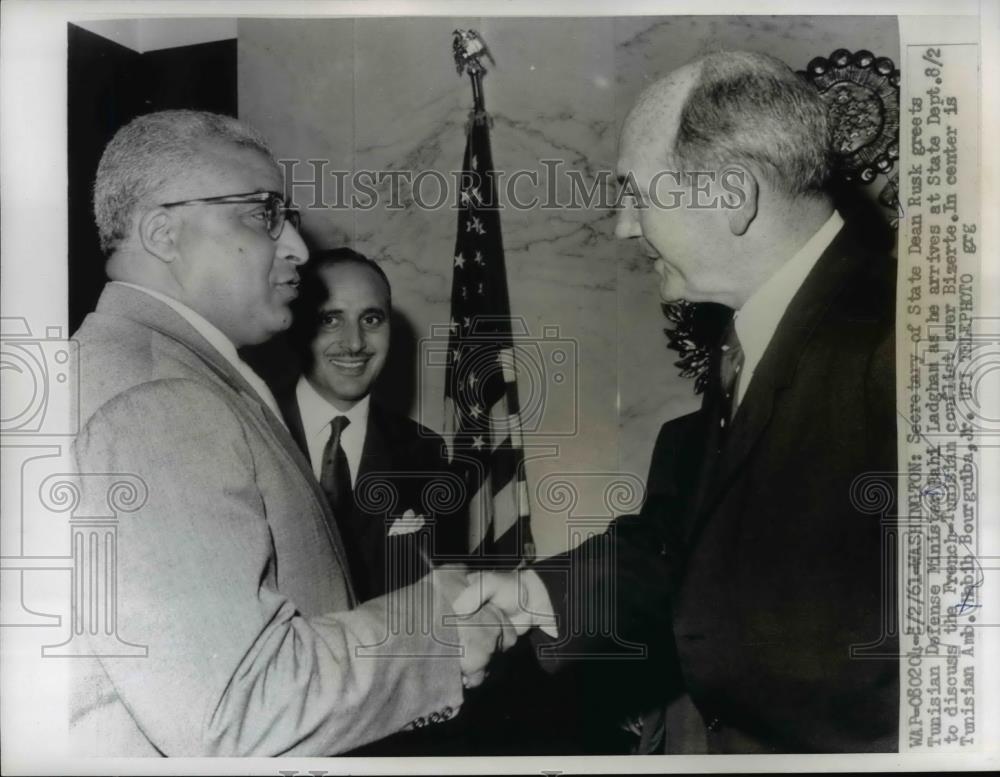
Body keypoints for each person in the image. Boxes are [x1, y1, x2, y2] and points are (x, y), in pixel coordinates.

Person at [461, 50, 898, 753]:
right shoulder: (757, 335)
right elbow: (684, 542)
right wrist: (544, 595)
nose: (624, 228)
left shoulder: (908, 337)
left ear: (734, 193)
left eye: (637, 194)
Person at [69, 109, 513, 756]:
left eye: (289, 217)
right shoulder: (160, 398)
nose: (297, 249)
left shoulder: (147, 368)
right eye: (260, 213)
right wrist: (435, 626)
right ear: (163, 231)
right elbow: (238, 709)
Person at [275, 248, 466, 604]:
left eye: (372, 320)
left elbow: (443, 599)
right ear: (296, 326)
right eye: (330, 320)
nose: (355, 343)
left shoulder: (426, 453)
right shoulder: (254, 425)